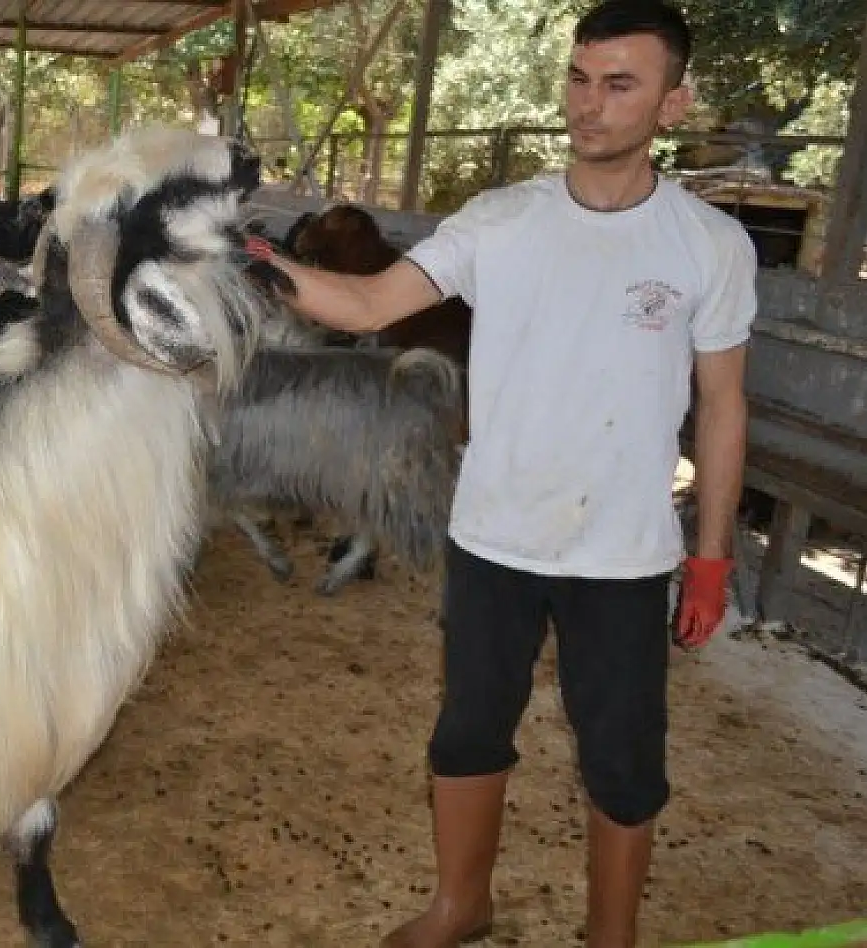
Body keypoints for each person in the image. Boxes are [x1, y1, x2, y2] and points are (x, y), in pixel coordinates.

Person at [244, 2, 755, 946]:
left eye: (619, 84)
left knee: (623, 762)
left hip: (622, 554)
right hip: (492, 538)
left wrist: (712, 554)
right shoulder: (502, 220)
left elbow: (723, 406)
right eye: (577, 77)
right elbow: (363, 305)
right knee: (470, 731)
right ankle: (459, 905)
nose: (588, 105)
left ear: (673, 103)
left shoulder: (708, 246)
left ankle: (612, 936)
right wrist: (250, 259)